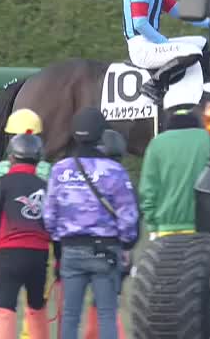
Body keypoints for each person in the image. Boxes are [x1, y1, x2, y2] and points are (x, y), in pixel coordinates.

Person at [44, 107, 140, 339]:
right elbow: (128, 216)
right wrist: (126, 244)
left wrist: (60, 239)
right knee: (107, 314)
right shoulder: (114, 171)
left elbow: (49, 216)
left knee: (70, 315)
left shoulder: (60, 170)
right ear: (101, 133)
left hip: (71, 250)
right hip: (105, 250)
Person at [0, 107, 57, 339]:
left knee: (2, 307)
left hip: (6, 249)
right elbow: (54, 218)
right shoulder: (48, 174)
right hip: (40, 251)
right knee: (36, 307)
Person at [122, 0, 210, 102]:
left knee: (202, 43)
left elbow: (181, 12)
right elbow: (140, 23)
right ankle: (153, 85)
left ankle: (202, 85)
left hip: (152, 43)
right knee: (193, 52)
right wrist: (163, 42)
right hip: (141, 48)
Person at [84, 129, 131, 339]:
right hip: (114, 248)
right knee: (108, 301)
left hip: (83, 247)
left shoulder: (87, 176)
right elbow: (131, 217)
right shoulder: (122, 178)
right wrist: (128, 246)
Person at [139, 109, 210, 240]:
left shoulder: (157, 143)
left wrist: (152, 225)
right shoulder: (208, 139)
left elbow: (148, 188)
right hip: (203, 229)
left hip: (166, 230)